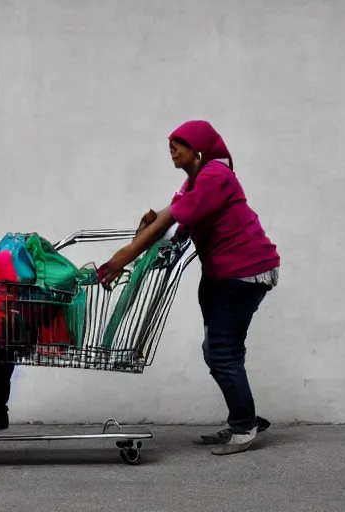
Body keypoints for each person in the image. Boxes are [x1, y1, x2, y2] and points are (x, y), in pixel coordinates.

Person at [99, 120, 280, 455]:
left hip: (244, 273)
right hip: (221, 274)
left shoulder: (214, 177)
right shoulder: (193, 183)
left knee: (222, 353)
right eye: (169, 144)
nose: (171, 151)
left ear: (197, 148)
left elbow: (168, 221)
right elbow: (168, 226)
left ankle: (245, 427)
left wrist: (119, 259)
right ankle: (244, 416)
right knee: (218, 352)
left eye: (177, 145)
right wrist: (147, 233)